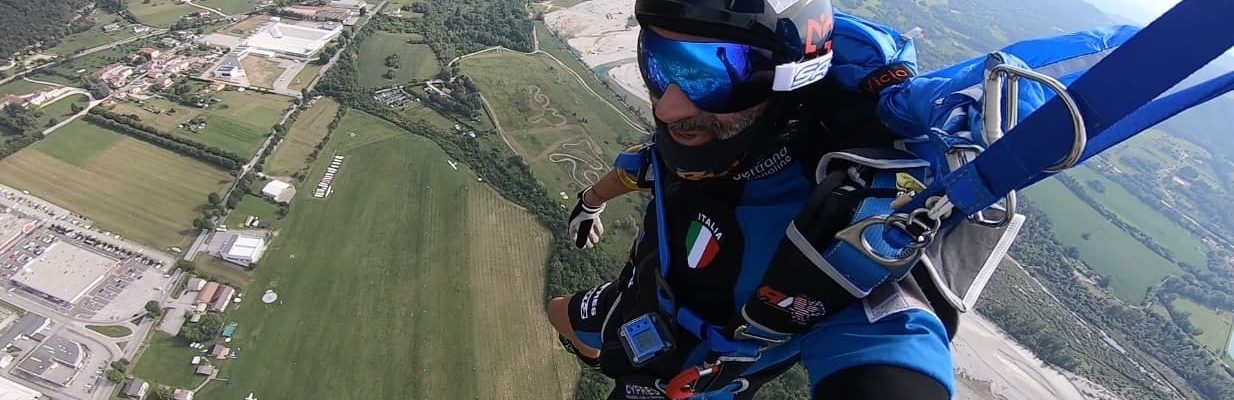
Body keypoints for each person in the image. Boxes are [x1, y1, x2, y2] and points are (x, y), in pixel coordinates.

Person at [546, 1, 957, 399]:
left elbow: (888, 339)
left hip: (695, 378)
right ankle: (596, 355)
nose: (669, 107)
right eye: (660, 62)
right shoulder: (701, 144)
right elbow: (644, 166)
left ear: (789, 79)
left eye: (713, 76)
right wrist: (591, 201)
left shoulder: (837, 217)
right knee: (557, 313)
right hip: (635, 302)